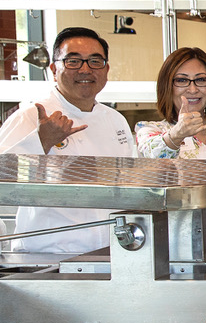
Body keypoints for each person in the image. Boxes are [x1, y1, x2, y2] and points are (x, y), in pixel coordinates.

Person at [0, 27, 137, 253]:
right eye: (73, 61)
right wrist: (40, 141)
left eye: (95, 61)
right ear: (54, 69)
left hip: (110, 251)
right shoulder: (32, 115)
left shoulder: (115, 120)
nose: (85, 69)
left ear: (106, 69)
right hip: (48, 255)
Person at [134, 47, 206, 256]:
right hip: (177, 253)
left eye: (201, 80)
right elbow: (154, 159)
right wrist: (177, 134)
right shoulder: (149, 131)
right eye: (181, 80)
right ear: (167, 86)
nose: (193, 89)